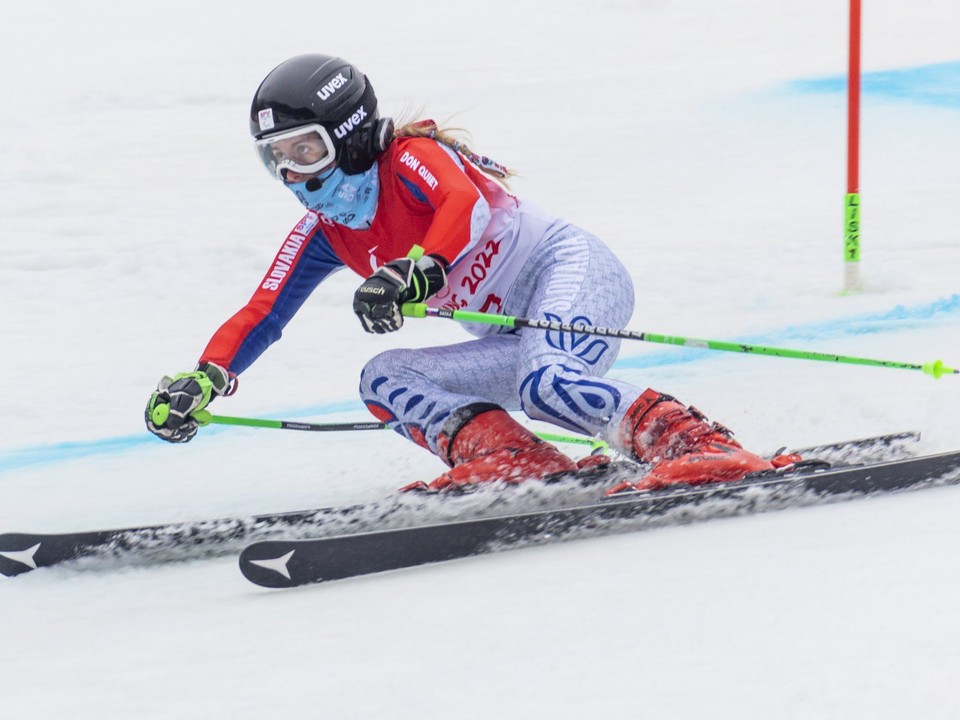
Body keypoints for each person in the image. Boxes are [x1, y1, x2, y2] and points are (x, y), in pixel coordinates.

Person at [145, 54, 775, 493]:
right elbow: (262, 313)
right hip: (511, 335)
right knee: (385, 377)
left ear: (351, 135)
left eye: (305, 151)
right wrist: (204, 379)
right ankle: (512, 459)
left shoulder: (411, 158)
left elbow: (462, 205)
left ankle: (698, 446)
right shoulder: (324, 233)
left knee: (547, 383)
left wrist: (417, 270)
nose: (293, 175)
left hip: (574, 273)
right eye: (276, 159)